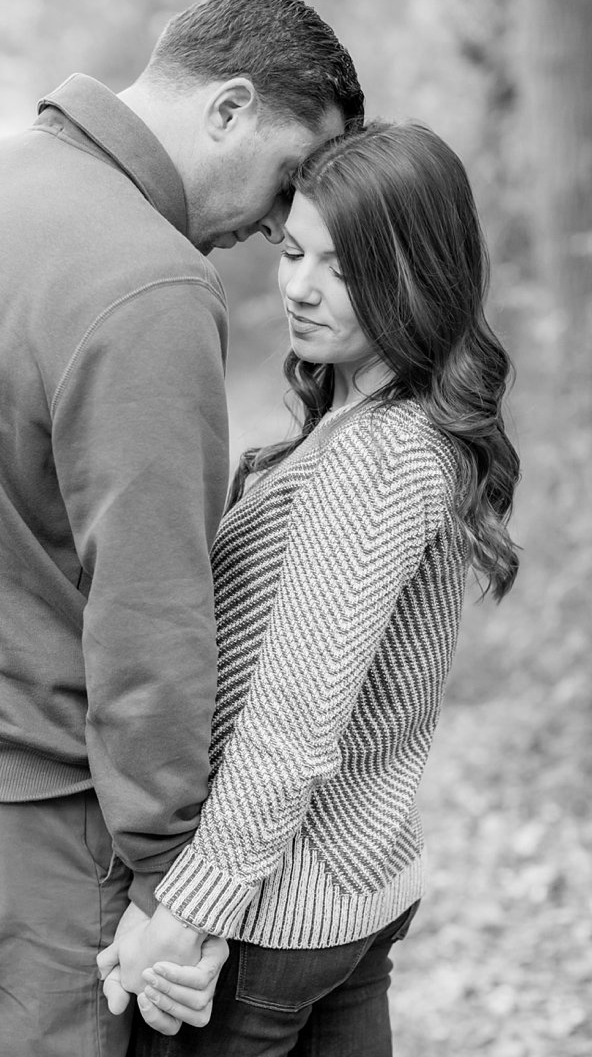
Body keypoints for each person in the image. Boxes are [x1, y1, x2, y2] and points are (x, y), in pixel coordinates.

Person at [0, 0, 365, 1057]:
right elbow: (150, 607)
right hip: (29, 792)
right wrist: (171, 869)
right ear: (226, 109)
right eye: (281, 181)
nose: (271, 225)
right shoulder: (148, 279)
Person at [100, 121, 520, 1054]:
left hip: (270, 916)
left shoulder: (379, 458)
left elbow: (293, 723)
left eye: (340, 265)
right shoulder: (373, 423)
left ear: (418, 273)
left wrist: (184, 910)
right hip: (353, 897)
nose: (297, 284)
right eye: (292, 249)